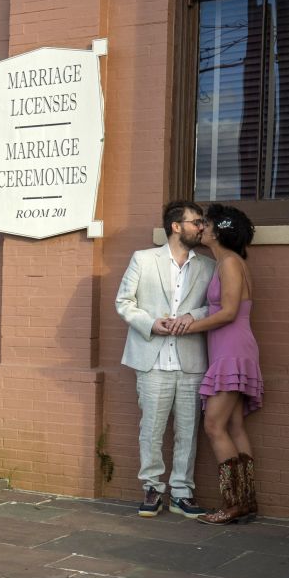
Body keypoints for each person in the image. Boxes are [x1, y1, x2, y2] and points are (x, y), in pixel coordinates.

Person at [115, 200, 216, 518]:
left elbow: (215, 306)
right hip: (152, 359)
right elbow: (124, 302)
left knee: (188, 430)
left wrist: (192, 315)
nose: (201, 227)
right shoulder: (143, 259)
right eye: (196, 222)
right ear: (176, 226)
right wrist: (150, 323)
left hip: (190, 360)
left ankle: (182, 493)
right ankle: (152, 488)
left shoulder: (208, 266)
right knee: (152, 428)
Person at [173, 203, 261, 524]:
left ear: (218, 231)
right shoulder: (225, 261)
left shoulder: (229, 263)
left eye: (206, 224)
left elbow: (228, 312)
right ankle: (246, 501)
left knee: (213, 425)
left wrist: (187, 325)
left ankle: (233, 503)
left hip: (232, 350)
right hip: (229, 349)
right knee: (234, 426)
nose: (202, 228)